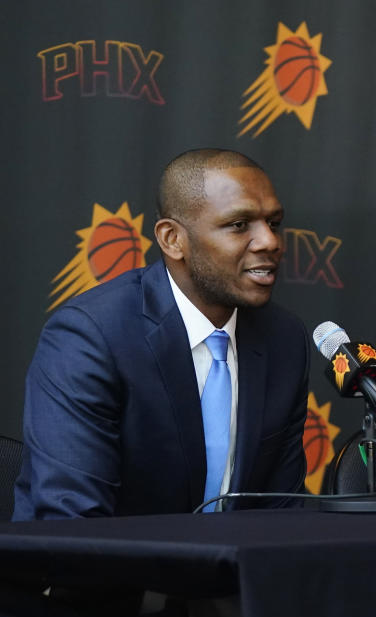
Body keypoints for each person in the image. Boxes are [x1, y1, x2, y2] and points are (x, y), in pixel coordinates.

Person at [14, 148, 310, 519]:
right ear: (172, 240)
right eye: (239, 224)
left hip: (234, 571)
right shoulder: (90, 337)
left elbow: (281, 509)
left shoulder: (284, 338)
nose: (270, 241)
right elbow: (72, 521)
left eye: (274, 222)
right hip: (113, 572)